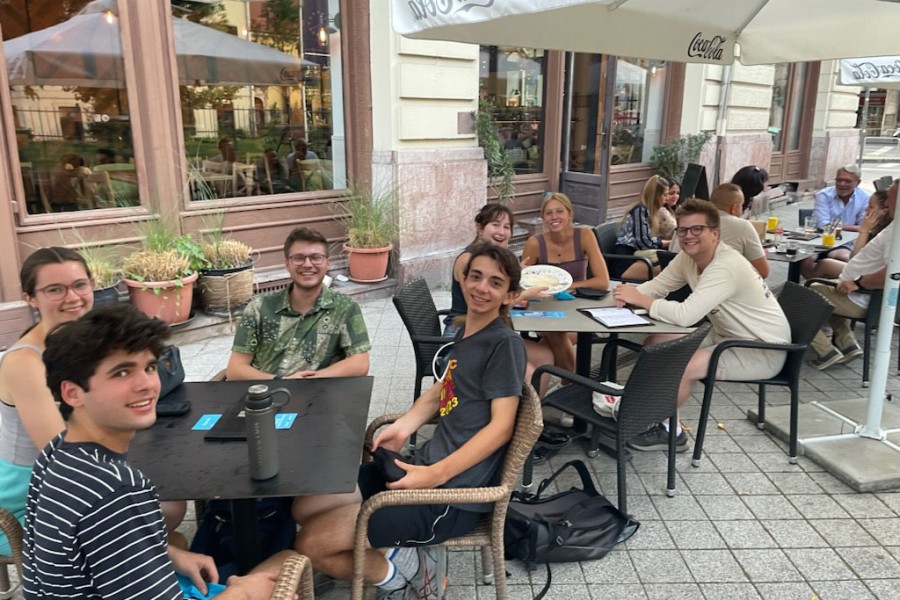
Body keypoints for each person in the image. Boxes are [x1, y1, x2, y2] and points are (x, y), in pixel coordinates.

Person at [294, 244, 526, 599]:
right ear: (462, 279)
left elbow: (502, 427)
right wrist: (404, 425)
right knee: (305, 507)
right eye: (475, 276)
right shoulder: (467, 333)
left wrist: (437, 474)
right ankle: (385, 551)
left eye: (495, 283)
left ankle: (407, 577)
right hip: (419, 470)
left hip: (449, 498)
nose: (481, 287)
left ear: (509, 296)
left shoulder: (503, 344)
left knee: (311, 543)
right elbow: (443, 390)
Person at [23, 303, 283, 599]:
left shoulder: (55, 454)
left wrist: (169, 553)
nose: (147, 384)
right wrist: (246, 593)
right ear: (72, 392)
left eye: (148, 367)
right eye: (121, 373)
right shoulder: (118, 490)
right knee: (283, 566)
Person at [613, 198, 790, 452]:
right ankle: (641, 409)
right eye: (683, 230)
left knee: (686, 364)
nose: (688, 236)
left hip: (763, 349)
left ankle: (670, 431)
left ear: (714, 233)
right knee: (656, 343)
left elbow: (685, 315)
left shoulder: (725, 266)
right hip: (726, 336)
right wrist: (622, 296)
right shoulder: (689, 258)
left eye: (697, 229)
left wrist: (640, 299)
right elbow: (658, 287)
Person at [0, 248, 94, 557]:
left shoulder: (87, 339)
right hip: (28, 495)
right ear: (30, 297)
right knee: (161, 514)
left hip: (75, 466)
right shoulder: (25, 362)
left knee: (166, 507)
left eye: (80, 284)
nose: (73, 297)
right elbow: (59, 455)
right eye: (55, 289)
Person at [227, 226, 370, 381]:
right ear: (287, 264)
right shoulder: (259, 307)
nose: (308, 264)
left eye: (316, 257)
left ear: (327, 263)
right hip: (265, 396)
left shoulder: (345, 307)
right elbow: (235, 370)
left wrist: (309, 379)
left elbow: (360, 364)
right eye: (299, 258)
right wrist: (280, 381)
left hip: (318, 396)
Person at [443, 203, 554, 394]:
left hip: (490, 332)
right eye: (495, 224)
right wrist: (526, 293)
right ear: (480, 227)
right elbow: (479, 304)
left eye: (507, 227)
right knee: (526, 371)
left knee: (545, 355)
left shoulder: (495, 259)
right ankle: (509, 417)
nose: (501, 231)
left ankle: (533, 417)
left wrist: (516, 274)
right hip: (462, 335)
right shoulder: (467, 259)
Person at [807, 179, 898, 370]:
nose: (888, 203)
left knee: (801, 296)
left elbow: (894, 272)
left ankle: (826, 352)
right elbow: (858, 258)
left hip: (864, 298)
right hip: (862, 295)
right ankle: (848, 344)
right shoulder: (893, 226)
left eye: (890, 198)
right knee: (827, 289)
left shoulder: (896, 232)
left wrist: (859, 283)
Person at [521, 192, 610, 372]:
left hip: (578, 309)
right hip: (547, 309)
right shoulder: (535, 243)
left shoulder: (585, 235)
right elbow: (523, 282)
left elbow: (602, 282)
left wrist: (567, 286)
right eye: (549, 213)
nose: (554, 217)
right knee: (555, 334)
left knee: (550, 343)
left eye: (559, 211)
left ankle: (567, 381)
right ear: (543, 218)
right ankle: (576, 384)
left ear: (570, 214)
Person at [670, 184, 769, 278]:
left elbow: (671, 254)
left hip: (680, 289)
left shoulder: (685, 222)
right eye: (741, 206)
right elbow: (762, 272)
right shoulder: (742, 226)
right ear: (734, 208)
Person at [800, 165, 871, 279]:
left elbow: (864, 226)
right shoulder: (824, 195)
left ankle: (826, 284)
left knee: (842, 257)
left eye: (847, 181)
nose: (842, 184)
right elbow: (822, 224)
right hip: (818, 240)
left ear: (858, 183)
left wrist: (836, 226)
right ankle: (810, 286)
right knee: (805, 259)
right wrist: (852, 227)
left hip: (846, 242)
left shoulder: (866, 198)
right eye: (839, 180)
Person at [811, 189, 892, 279]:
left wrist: (864, 231)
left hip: (865, 277)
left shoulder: (883, 232)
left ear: (884, 211)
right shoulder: (883, 227)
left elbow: (855, 259)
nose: (866, 209)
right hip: (865, 272)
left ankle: (808, 289)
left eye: (871, 206)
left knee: (825, 264)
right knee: (824, 266)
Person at [613, 175, 671, 280]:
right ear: (656, 195)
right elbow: (644, 243)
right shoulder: (640, 210)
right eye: (665, 195)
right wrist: (666, 243)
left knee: (671, 265)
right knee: (670, 267)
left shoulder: (650, 212)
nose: (667, 199)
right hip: (626, 261)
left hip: (637, 257)